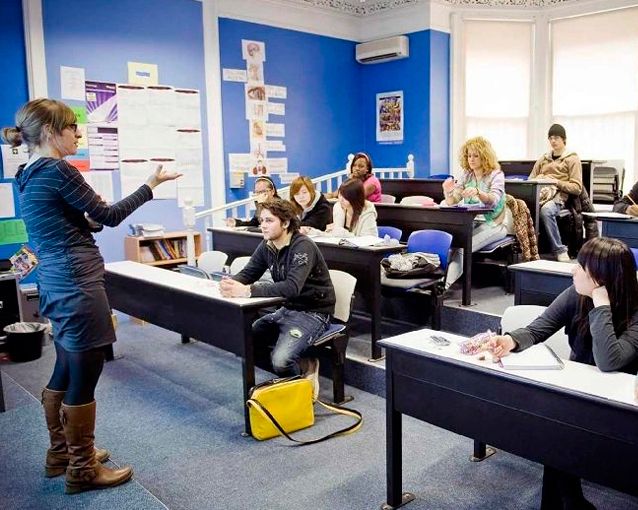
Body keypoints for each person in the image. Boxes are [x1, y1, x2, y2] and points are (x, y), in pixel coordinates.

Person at [1, 99, 181, 494]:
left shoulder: (27, 173)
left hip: (55, 280)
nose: (77, 135)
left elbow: (74, 221)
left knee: (67, 364)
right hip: (77, 282)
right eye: (71, 127)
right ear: (50, 132)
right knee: (86, 369)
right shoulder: (59, 170)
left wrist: (89, 219)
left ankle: (61, 453)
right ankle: (82, 468)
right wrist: (150, 185)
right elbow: (110, 217)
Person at [485, 237, 638, 510]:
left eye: (581, 266)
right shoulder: (575, 294)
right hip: (578, 387)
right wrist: (510, 340)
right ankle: (569, 500)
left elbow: (609, 361)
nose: (573, 271)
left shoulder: (634, 308)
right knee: (555, 428)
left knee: (560, 434)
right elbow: (537, 329)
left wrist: (601, 305)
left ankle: (569, 501)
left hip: (618, 403)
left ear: (600, 278)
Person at [220, 198, 335, 398]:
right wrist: (230, 283)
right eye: (261, 220)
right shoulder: (268, 245)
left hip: (314, 312)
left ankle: (302, 387)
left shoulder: (303, 246)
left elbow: (292, 287)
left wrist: (247, 291)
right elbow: (248, 273)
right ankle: (296, 367)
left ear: (285, 223)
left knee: (281, 361)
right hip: (288, 309)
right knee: (246, 342)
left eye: (269, 220)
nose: (263, 225)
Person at [442, 136, 513, 288]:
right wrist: (448, 191)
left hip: (495, 224)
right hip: (472, 222)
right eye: (469, 156)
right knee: (451, 246)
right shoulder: (467, 174)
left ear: (484, 156)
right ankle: (437, 281)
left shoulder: (496, 175)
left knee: (462, 248)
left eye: (476, 156)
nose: (471, 159)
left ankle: (442, 286)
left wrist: (478, 192)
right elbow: (453, 201)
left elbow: (493, 200)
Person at [529, 124, 583, 262]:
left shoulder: (572, 159)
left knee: (546, 210)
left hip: (559, 197)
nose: (553, 141)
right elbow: (530, 179)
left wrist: (555, 182)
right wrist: (540, 178)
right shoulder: (543, 158)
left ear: (564, 139)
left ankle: (560, 250)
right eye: (551, 138)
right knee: (521, 207)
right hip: (540, 194)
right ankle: (527, 250)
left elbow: (577, 188)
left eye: (556, 138)